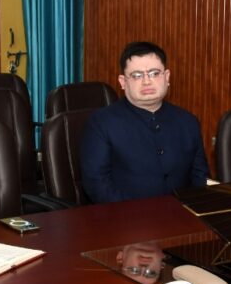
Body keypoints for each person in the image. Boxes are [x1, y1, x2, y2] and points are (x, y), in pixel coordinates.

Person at [81, 41, 209, 203]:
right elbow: (97, 186)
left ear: (167, 77)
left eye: (155, 73)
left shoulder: (188, 121)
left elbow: (200, 178)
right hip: (125, 214)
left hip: (182, 214)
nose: (147, 81)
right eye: (137, 75)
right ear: (123, 82)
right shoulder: (101, 123)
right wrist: (138, 213)